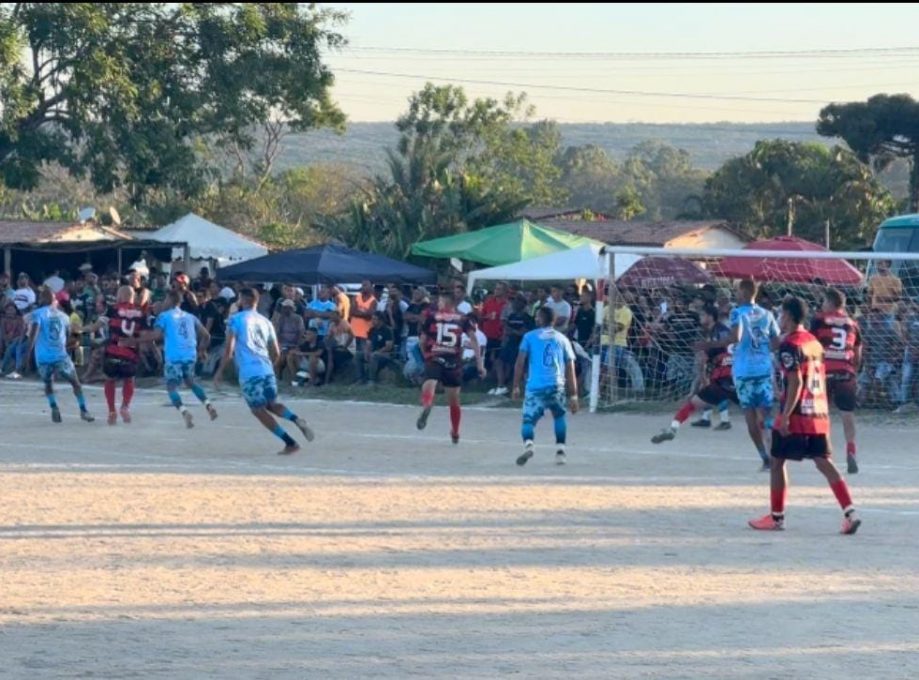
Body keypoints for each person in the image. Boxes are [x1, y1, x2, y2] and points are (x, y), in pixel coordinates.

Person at [749, 297, 861, 535]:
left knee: (777, 461)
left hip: (797, 414)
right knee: (823, 462)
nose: (779, 319)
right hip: (818, 413)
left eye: (781, 315)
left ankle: (776, 517)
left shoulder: (790, 345)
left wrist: (785, 415)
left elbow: (796, 381)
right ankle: (850, 513)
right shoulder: (814, 342)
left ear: (788, 316)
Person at [215, 287, 314, 455]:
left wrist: (219, 371)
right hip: (266, 368)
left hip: (249, 371)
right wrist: (271, 366)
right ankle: (296, 419)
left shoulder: (236, 319)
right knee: (272, 404)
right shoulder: (265, 321)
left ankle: (290, 442)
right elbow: (276, 351)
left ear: (243, 300)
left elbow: (229, 350)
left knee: (258, 410)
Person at [705, 279, 780, 470]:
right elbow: (776, 342)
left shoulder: (737, 312)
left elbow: (735, 337)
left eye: (737, 291)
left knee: (750, 415)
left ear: (744, 292)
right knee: (766, 414)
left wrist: (712, 344)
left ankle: (764, 457)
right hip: (763, 369)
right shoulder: (767, 314)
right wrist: (762, 350)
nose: (735, 294)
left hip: (744, 370)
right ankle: (774, 454)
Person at [651, 305, 736, 444]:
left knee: (693, 402)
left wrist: (703, 375)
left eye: (702, 315)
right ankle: (713, 419)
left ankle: (673, 429)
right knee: (757, 410)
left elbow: (706, 358)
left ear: (710, 317)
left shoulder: (716, 334)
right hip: (735, 376)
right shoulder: (722, 331)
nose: (700, 318)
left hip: (724, 375)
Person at [512, 306, 579, 466]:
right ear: (554, 321)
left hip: (536, 386)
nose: (535, 319)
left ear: (541, 319)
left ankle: (529, 445)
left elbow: (520, 362)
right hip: (557, 385)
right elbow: (570, 368)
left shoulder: (529, 337)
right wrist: (574, 395)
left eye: (537, 316)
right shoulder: (563, 339)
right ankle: (560, 451)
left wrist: (515, 385)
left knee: (528, 420)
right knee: (559, 416)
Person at [416, 291, 485, 444]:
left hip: (435, 355)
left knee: (429, 384)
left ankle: (427, 404)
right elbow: (474, 340)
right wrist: (480, 364)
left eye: (440, 302)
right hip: (453, 360)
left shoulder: (432, 317)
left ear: (446, 303)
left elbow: (422, 340)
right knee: (454, 399)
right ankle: (455, 431)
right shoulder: (463, 319)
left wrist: (426, 355)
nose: (438, 305)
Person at [810, 288, 862, 474]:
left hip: (824, 371)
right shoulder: (852, 324)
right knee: (847, 414)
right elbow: (857, 353)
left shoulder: (819, 320)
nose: (822, 305)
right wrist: (853, 370)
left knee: (821, 414)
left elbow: (811, 345)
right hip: (845, 371)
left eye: (824, 301)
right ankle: (851, 450)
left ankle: (825, 453)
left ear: (831, 303)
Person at [149, 290, 218, 429]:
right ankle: (208, 405)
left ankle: (184, 411)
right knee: (190, 382)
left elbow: (156, 335)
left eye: (166, 299)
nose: (164, 302)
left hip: (174, 356)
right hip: (190, 354)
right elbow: (206, 335)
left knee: (171, 386)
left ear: (170, 300)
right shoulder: (190, 316)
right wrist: (201, 350)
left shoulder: (164, 316)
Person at [28, 287, 94, 423]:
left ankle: (54, 408)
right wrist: (73, 345)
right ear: (54, 300)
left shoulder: (37, 314)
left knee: (48, 383)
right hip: (60, 356)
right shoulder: (64, 316)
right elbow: (74, 336)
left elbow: (33, 335)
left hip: (43, 357)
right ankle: (83, 410)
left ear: (41, 299)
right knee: (75, 383)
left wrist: (27, 355)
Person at [96, 286, 147, 425]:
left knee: (109, 380)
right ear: (132, 297)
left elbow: (97, 326)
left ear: (120, 296)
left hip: (113, 351)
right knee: (129, 379)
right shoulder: (140, 312)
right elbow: (144, 335)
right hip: (130, 353)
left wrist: (82, 329)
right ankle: (125, 406)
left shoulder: (112, 309)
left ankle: (112, 411)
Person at [490, 295, 533, 396]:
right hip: (509, 343)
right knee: (500, 361)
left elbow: (526, 333)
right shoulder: (511, 316)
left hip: (520, 345)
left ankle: (517, 387)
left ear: (523, 304)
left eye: (517, 302)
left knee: (518, 365)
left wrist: (513, 331)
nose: (514, 304)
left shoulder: (527, 318)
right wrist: (507, 334)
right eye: (513, 302)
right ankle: (501, 385)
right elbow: (506, 329)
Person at [355, 311, 395, 385]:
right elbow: (368, 343)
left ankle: (371, 380)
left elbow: (389, 346)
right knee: (358, 355)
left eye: (374, 319)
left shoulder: (387, 330)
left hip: (386, 354)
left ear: (380, 320)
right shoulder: (372, 330)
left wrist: (378, 351)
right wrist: (366, 352)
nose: (372, 321)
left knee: (374, 356)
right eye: (372, 319)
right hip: (373, 352)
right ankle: (360, 378)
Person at [0, 301, 28, 378]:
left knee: (15, 346)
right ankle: (7, 369)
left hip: (21, 340)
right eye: (8, 310)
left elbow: (22, 333)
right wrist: (6, 341)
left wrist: (14, 340)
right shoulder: (3, 320)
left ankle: (3, 368)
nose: (10, 312)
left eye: (12, 310)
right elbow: (3, 333)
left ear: (16, 310)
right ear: (5, 311)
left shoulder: (20, 319)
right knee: (11, 347)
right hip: (9, 341)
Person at [350, 280, 377, 357]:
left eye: (365, 285)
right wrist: (364, 312)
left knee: (363, 355)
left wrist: (357, 311)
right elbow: (351, 312)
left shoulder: (373, 301)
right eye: (362, 285)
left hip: (366, 332)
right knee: (354, 354)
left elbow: (369, 315)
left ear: (371, 287)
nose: (363, 287)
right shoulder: (356, 297)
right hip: (353, 331)